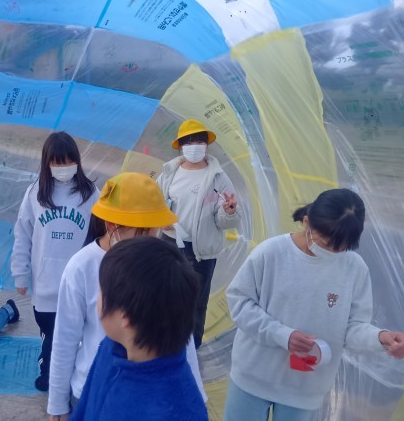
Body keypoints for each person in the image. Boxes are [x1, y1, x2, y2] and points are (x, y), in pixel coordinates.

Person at [225, 188, 404, 421]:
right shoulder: (271, 253)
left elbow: (352, 328)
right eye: (327, 243)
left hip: (306, 389)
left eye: (342, 247)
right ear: (307, 222)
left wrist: (380, 338)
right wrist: (282, 335)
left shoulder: (354, 269)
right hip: (253, 377)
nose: (333, 252)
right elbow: (240, 301)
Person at [48, 172, 207, 420]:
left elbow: (181, 338)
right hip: (90, 387)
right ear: (113, 227)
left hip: (150, 393)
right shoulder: (81, 267)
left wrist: (197, 392)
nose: (151, 239)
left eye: (154, 230)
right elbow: (65, 339)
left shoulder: (160, 266)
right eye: (143, 231)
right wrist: (57, 402)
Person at [70, 237, 209, 421]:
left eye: (101, 291)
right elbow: (86, 407)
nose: (97, 298)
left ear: (125, 316)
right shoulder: (110, 348)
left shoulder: (178, 411)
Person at [11, 131, 99, 391]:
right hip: (46, 286)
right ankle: (48, 372)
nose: (64, 167)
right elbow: (22, 234)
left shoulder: (90, 193)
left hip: (79, 285)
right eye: (57, 162)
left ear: (77, 160)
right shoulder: (35, 193)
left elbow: (101, 234)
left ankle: (75, 377)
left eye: (69, 160)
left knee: (77, 335)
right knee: (50, 336)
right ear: (47, 162)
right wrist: (20, 273)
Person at [157, 119, 241, 348]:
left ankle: (191, 350)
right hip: (169, 243)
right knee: (165, 296)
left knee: (195, 302)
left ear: (206, 145)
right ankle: (165, 346)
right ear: (180, 146)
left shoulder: (217, 177)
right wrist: (162, 219)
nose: (194, 146)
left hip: (200, 250)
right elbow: (155, 203)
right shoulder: (169, 172)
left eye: (199, 141)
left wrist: (229, 211)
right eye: (189, 142)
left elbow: (225, 221)